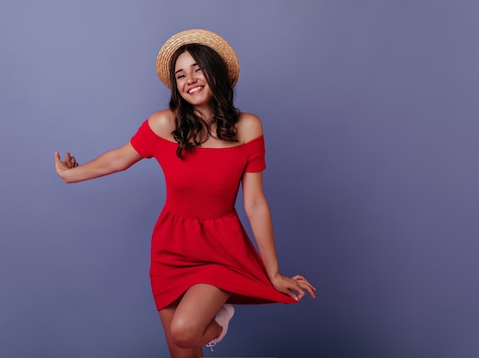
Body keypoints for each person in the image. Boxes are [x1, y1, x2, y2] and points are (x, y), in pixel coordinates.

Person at [54, 29, 316, 358]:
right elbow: (120, 158)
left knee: (185, 331)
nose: (189, 79)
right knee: (182, 352)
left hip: (222, 248)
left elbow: (254, 202)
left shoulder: (248, 127)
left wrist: (273, 271)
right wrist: (70, 174)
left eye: (197, 69)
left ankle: (220, 322)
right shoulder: (164, 124)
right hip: (170, 248)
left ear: (216, 73)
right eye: (180, 74)